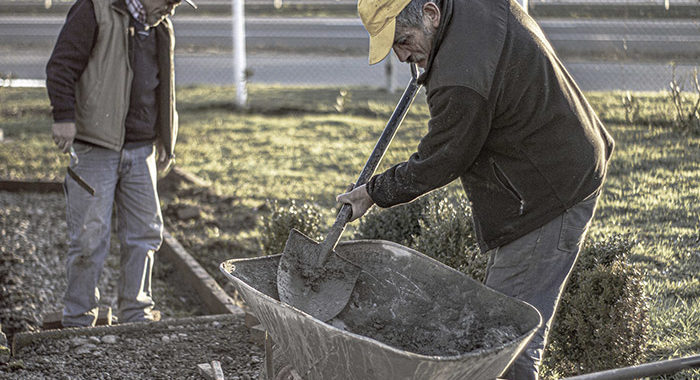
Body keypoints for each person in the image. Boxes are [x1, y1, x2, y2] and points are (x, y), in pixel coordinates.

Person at [338, 0, 615, 378]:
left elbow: (442, 159)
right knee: (507, 327)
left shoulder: (460, 77)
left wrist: (372, 193)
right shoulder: (470, 8)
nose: (402, 56)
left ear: (431, 14)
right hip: (558, 164)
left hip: (545, 195)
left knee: (504, 340)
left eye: (403, 40)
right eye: (395, 48)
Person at [45, 0, 195, 327]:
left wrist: (166, 138)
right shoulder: (94, 9)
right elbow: (61, 66)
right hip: (96, 146)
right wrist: (64, 118)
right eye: (168, 2)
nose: (171, 10)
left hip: (142, 150)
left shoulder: (161, 27)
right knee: (88, 238)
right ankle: (78, 320)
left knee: (144, 233)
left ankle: (136, 315)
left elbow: (163, 87)